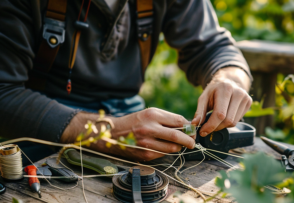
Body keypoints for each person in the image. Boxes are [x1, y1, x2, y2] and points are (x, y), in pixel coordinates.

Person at [0, 0, 252, 162]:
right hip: (41, 127)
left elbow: (213, 47)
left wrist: (229, 78)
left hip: (131, 119)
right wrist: (108, 133)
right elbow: (4, 93)